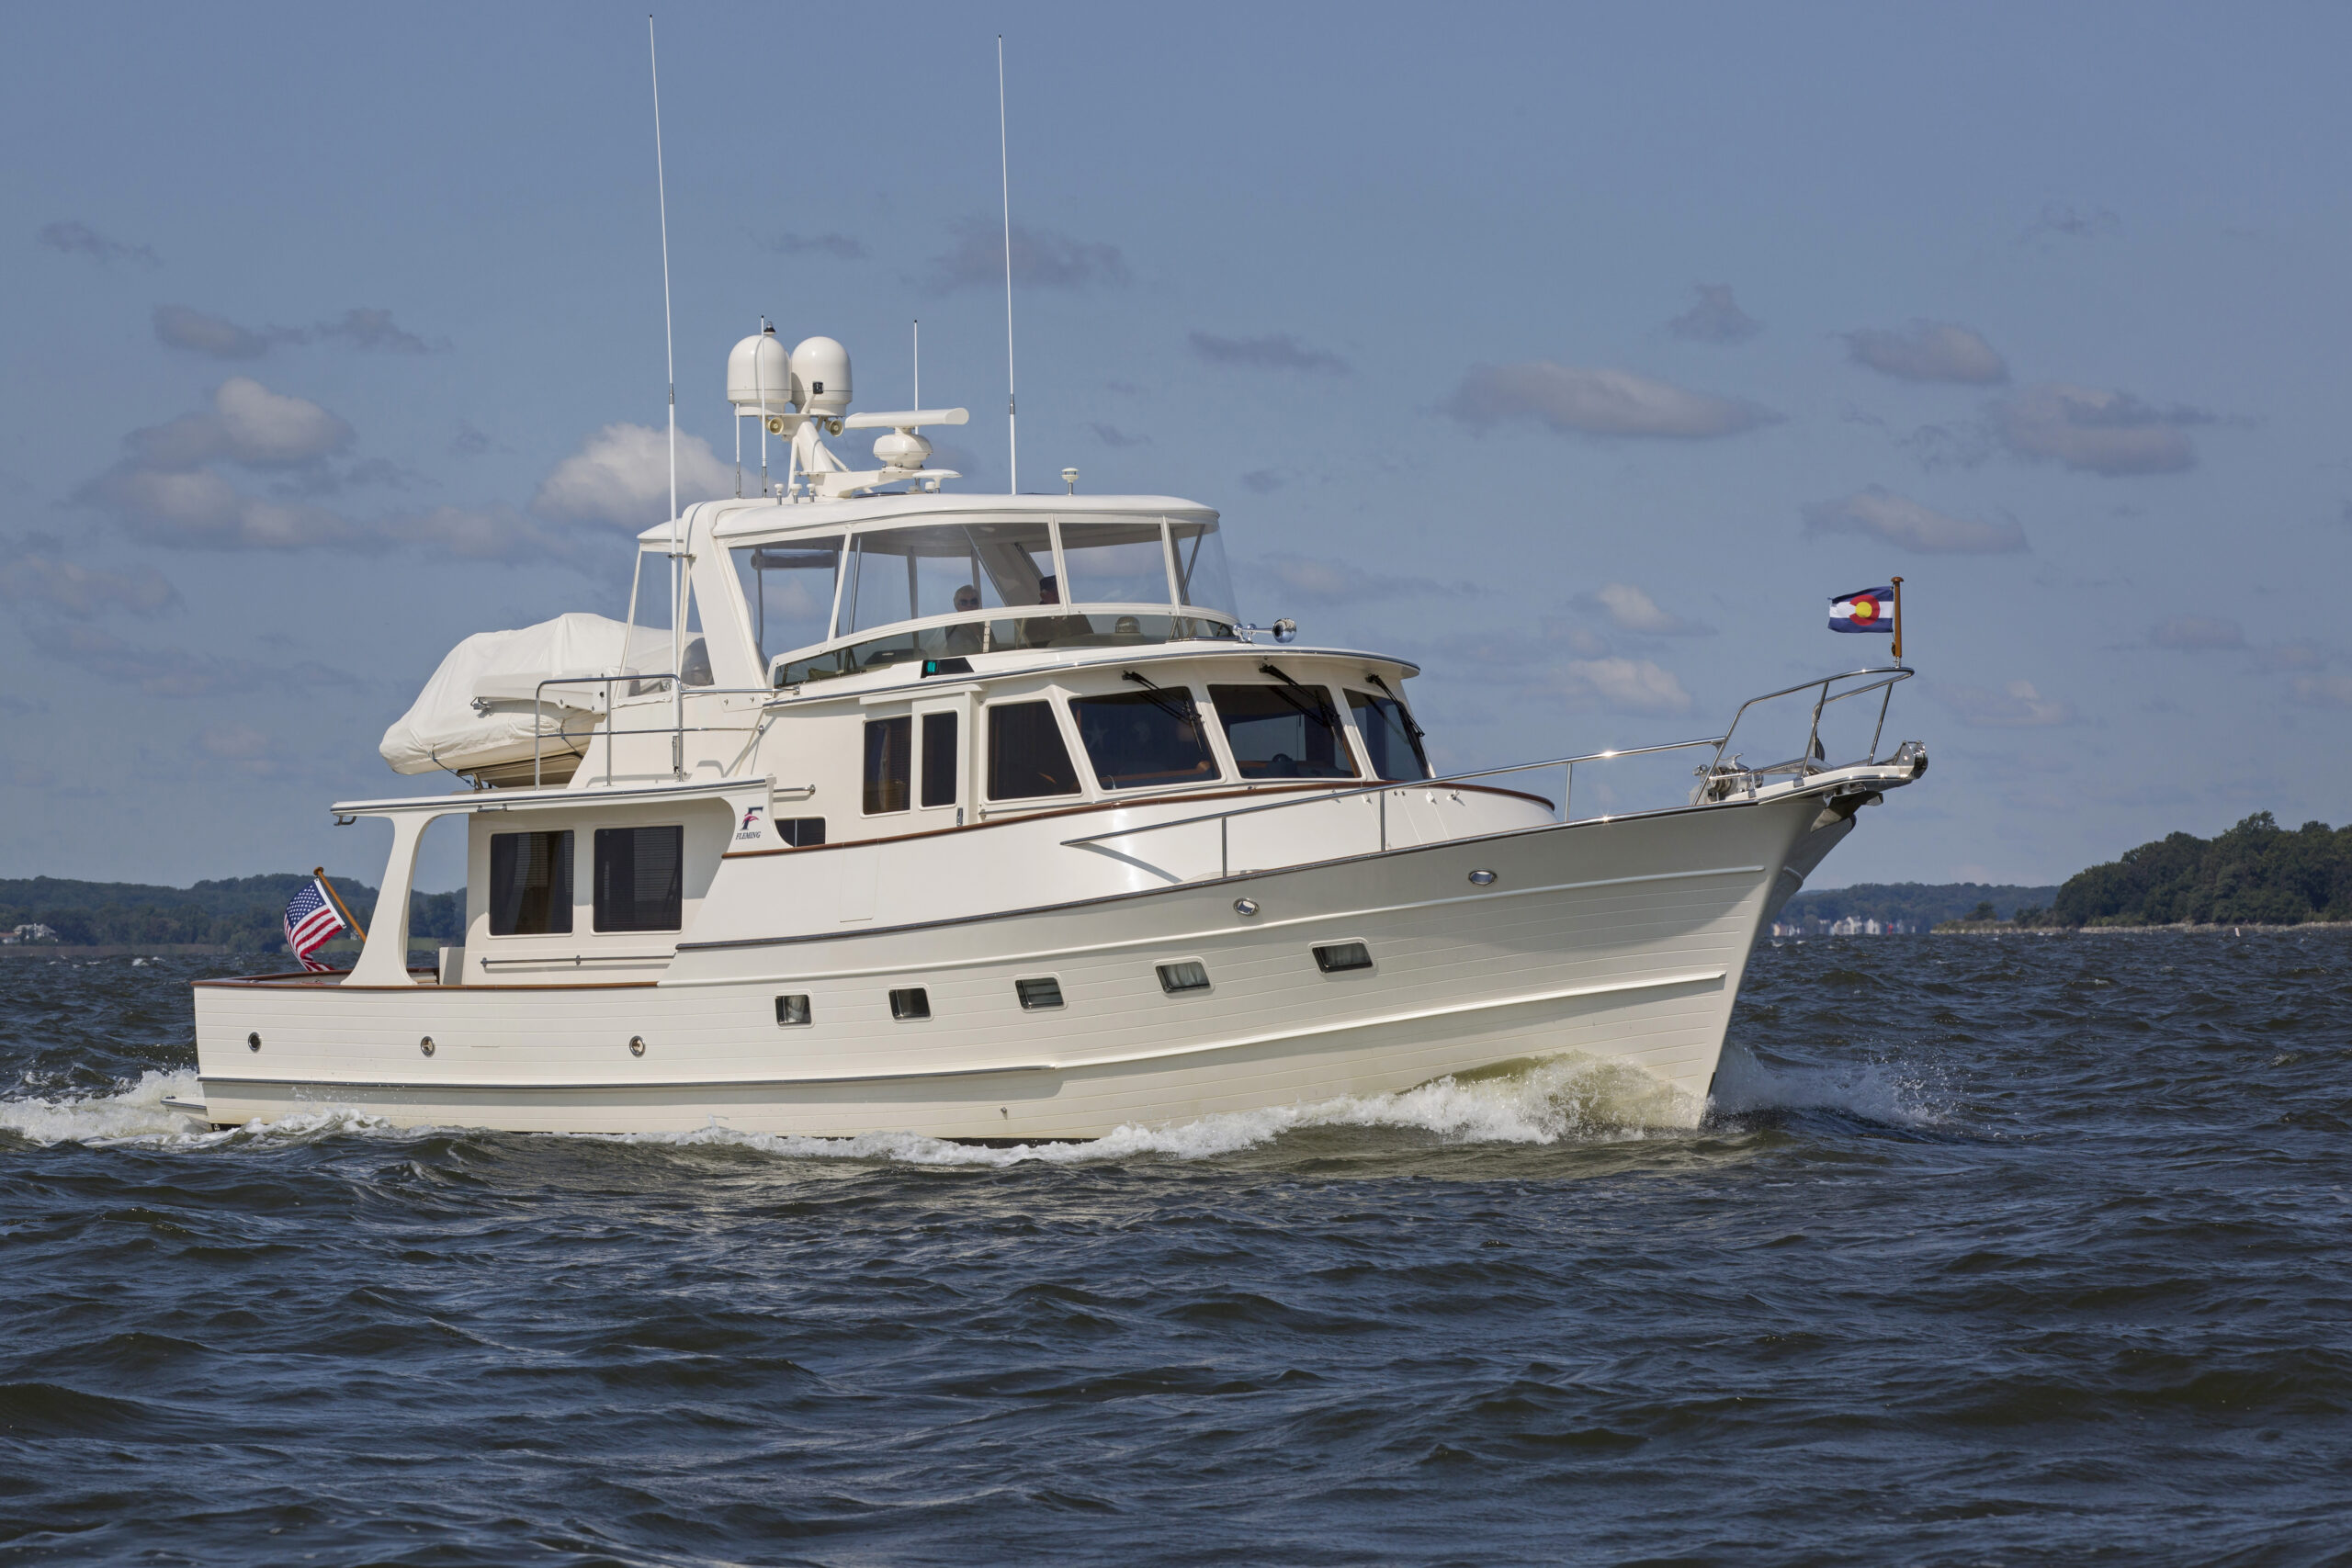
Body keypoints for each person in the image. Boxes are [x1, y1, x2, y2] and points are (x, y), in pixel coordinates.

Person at [944, 584, 983, 655]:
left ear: (978, 604)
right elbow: (958, 651)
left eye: (973, 601)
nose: (969, 605)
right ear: (957, 606)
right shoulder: (953, 628)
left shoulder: (986, 628)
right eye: (964, 602)